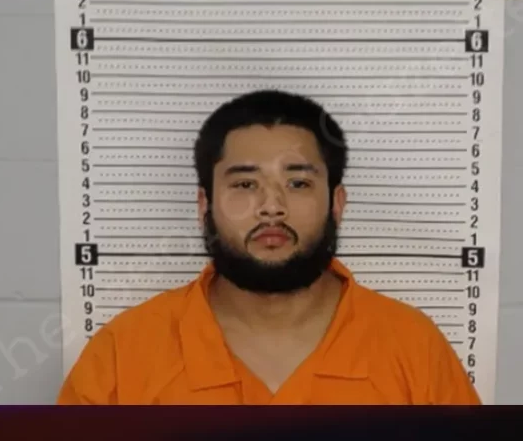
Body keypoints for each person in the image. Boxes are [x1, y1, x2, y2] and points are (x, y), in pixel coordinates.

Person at [57, 89, 481, 405]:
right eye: (245, 184)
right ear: (205, 204)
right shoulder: (124, 355)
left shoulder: (413, 347)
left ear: (337, 204)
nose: (271, 207)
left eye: (298, 183)